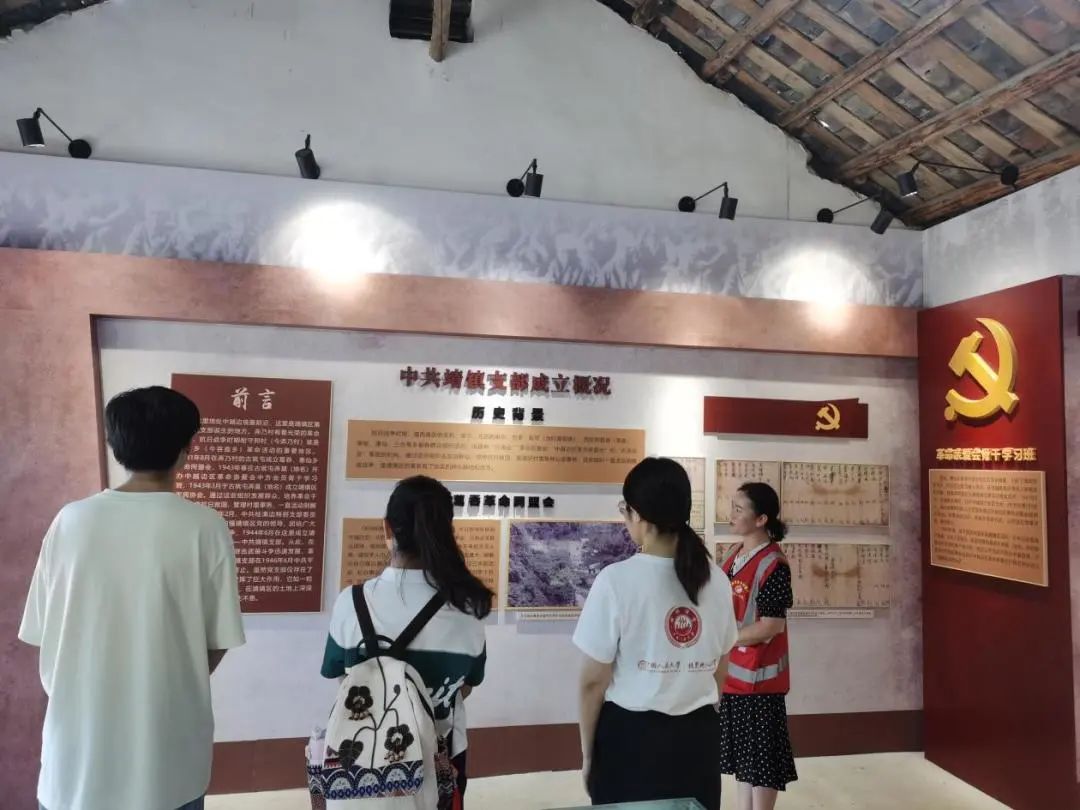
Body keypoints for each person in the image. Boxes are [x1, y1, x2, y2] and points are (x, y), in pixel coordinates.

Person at [18, 386, 246, 810]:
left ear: (114, 444)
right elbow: (216, 643)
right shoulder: (205, 527)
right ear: (188, 448)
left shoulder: (70, 521)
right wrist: (163, 677)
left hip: (76, 750)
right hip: (168, 750)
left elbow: (44, 633)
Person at [573, 457, 738, 810]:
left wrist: (588, 755)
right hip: (699, 739)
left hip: (631, 740)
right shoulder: (718, 580)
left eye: (625, 510)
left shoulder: (616, 581)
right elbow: (721, 668)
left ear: (639, 516)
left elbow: (592, 683)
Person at [321, 476, 492, 805]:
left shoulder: (351, 602)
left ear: (387, 528)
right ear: (446, 531)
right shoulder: (468, 610)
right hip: (439, 763)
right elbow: (467, 685)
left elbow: (340, 677)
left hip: (361, 762)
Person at [719, 483, 798, 810]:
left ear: (762, 519)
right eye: (733, 507)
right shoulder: (734, 555)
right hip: (734, 677)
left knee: (763, 762)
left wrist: (724, 637)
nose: (731, 514)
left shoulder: (773, 564)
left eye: (739, 509)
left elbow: (771, 625)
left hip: (760, 682)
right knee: (744, 761)